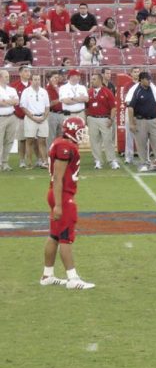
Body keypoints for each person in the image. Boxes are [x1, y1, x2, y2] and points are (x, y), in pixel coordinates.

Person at [41, 116, 95, 290]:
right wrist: (58, 204)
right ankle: (72, 279)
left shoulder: (61, 142)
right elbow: (58, 177)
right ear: (72, 130)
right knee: (65, 237)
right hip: (62, 195)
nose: (82, 134)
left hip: (57, 194)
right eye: (80, 131)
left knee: (54, 236)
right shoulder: (65, 146)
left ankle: (47, 275)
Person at [126, 71, 156, 173]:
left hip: (153, 120)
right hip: (140, 120)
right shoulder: (136, 91)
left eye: (150, 79)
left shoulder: (153, 89)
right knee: (141, 143)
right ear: (141, 80)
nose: (149, 81)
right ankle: (144, 163)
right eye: (147, 79)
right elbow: (130, 108)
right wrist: (132, 123)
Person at [20, 72, 50, 168]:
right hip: (30, 118)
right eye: (35, 80)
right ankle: (29, 162)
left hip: (42, 118)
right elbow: (23, 107)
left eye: (38, 80)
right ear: (31, 81)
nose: (37, 82)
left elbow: (47, 107)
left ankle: (45, 161)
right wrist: (33, 118)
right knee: (29, 140)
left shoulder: (44, 91)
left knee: (42, 141)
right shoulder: (26, 92)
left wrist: (44, 117)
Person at [0, 69, 19, 171]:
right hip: (1, 118)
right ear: (1, 77)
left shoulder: (12, 89)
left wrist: (5, 102)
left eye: (8, 76)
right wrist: (9, 102)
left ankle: (5, 162)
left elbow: (16, 102)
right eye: (6, 76)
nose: (8, 78)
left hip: (11, 117)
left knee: (9, 141)